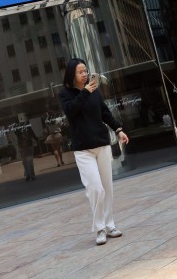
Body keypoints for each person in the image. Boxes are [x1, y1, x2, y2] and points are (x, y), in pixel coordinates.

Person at [59, 58, 129, 246]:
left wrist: (118, 130)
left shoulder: (94, 91)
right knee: (95, 188)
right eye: (80, 72)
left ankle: (110, 225)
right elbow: (71, 111)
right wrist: (85, 92)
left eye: (85, 71)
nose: (84, 74)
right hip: (83, 150)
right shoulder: (66, 94)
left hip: (102, 145)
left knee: (107, 187)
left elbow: (105, 113)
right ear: (72, 74)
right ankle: (99, 228)